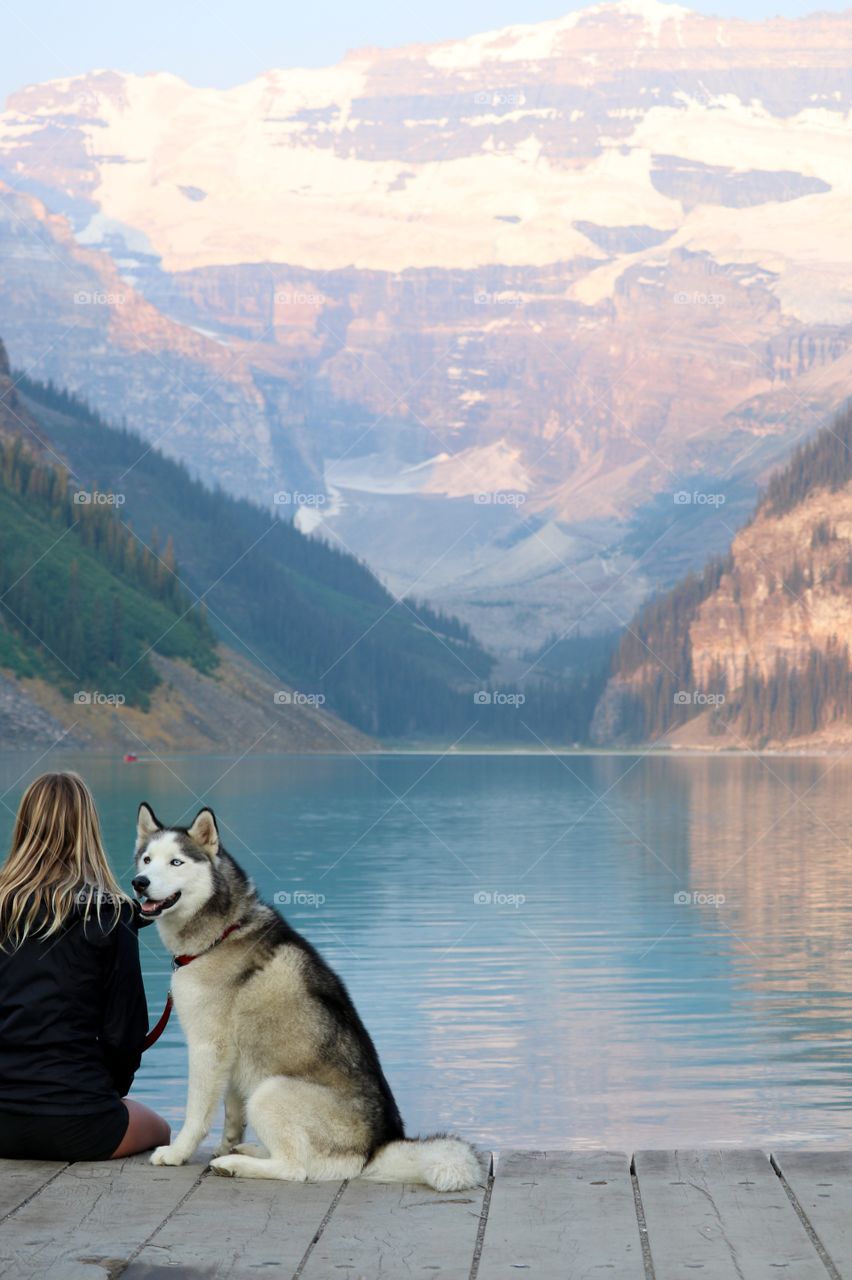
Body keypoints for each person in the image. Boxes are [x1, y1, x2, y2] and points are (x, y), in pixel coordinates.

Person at [0, 771, 170, 1160]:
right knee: (161, 1130)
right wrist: (110, 1092)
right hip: (78, 1123)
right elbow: (124, 1033)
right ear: (88, 830)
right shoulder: (111, 916)